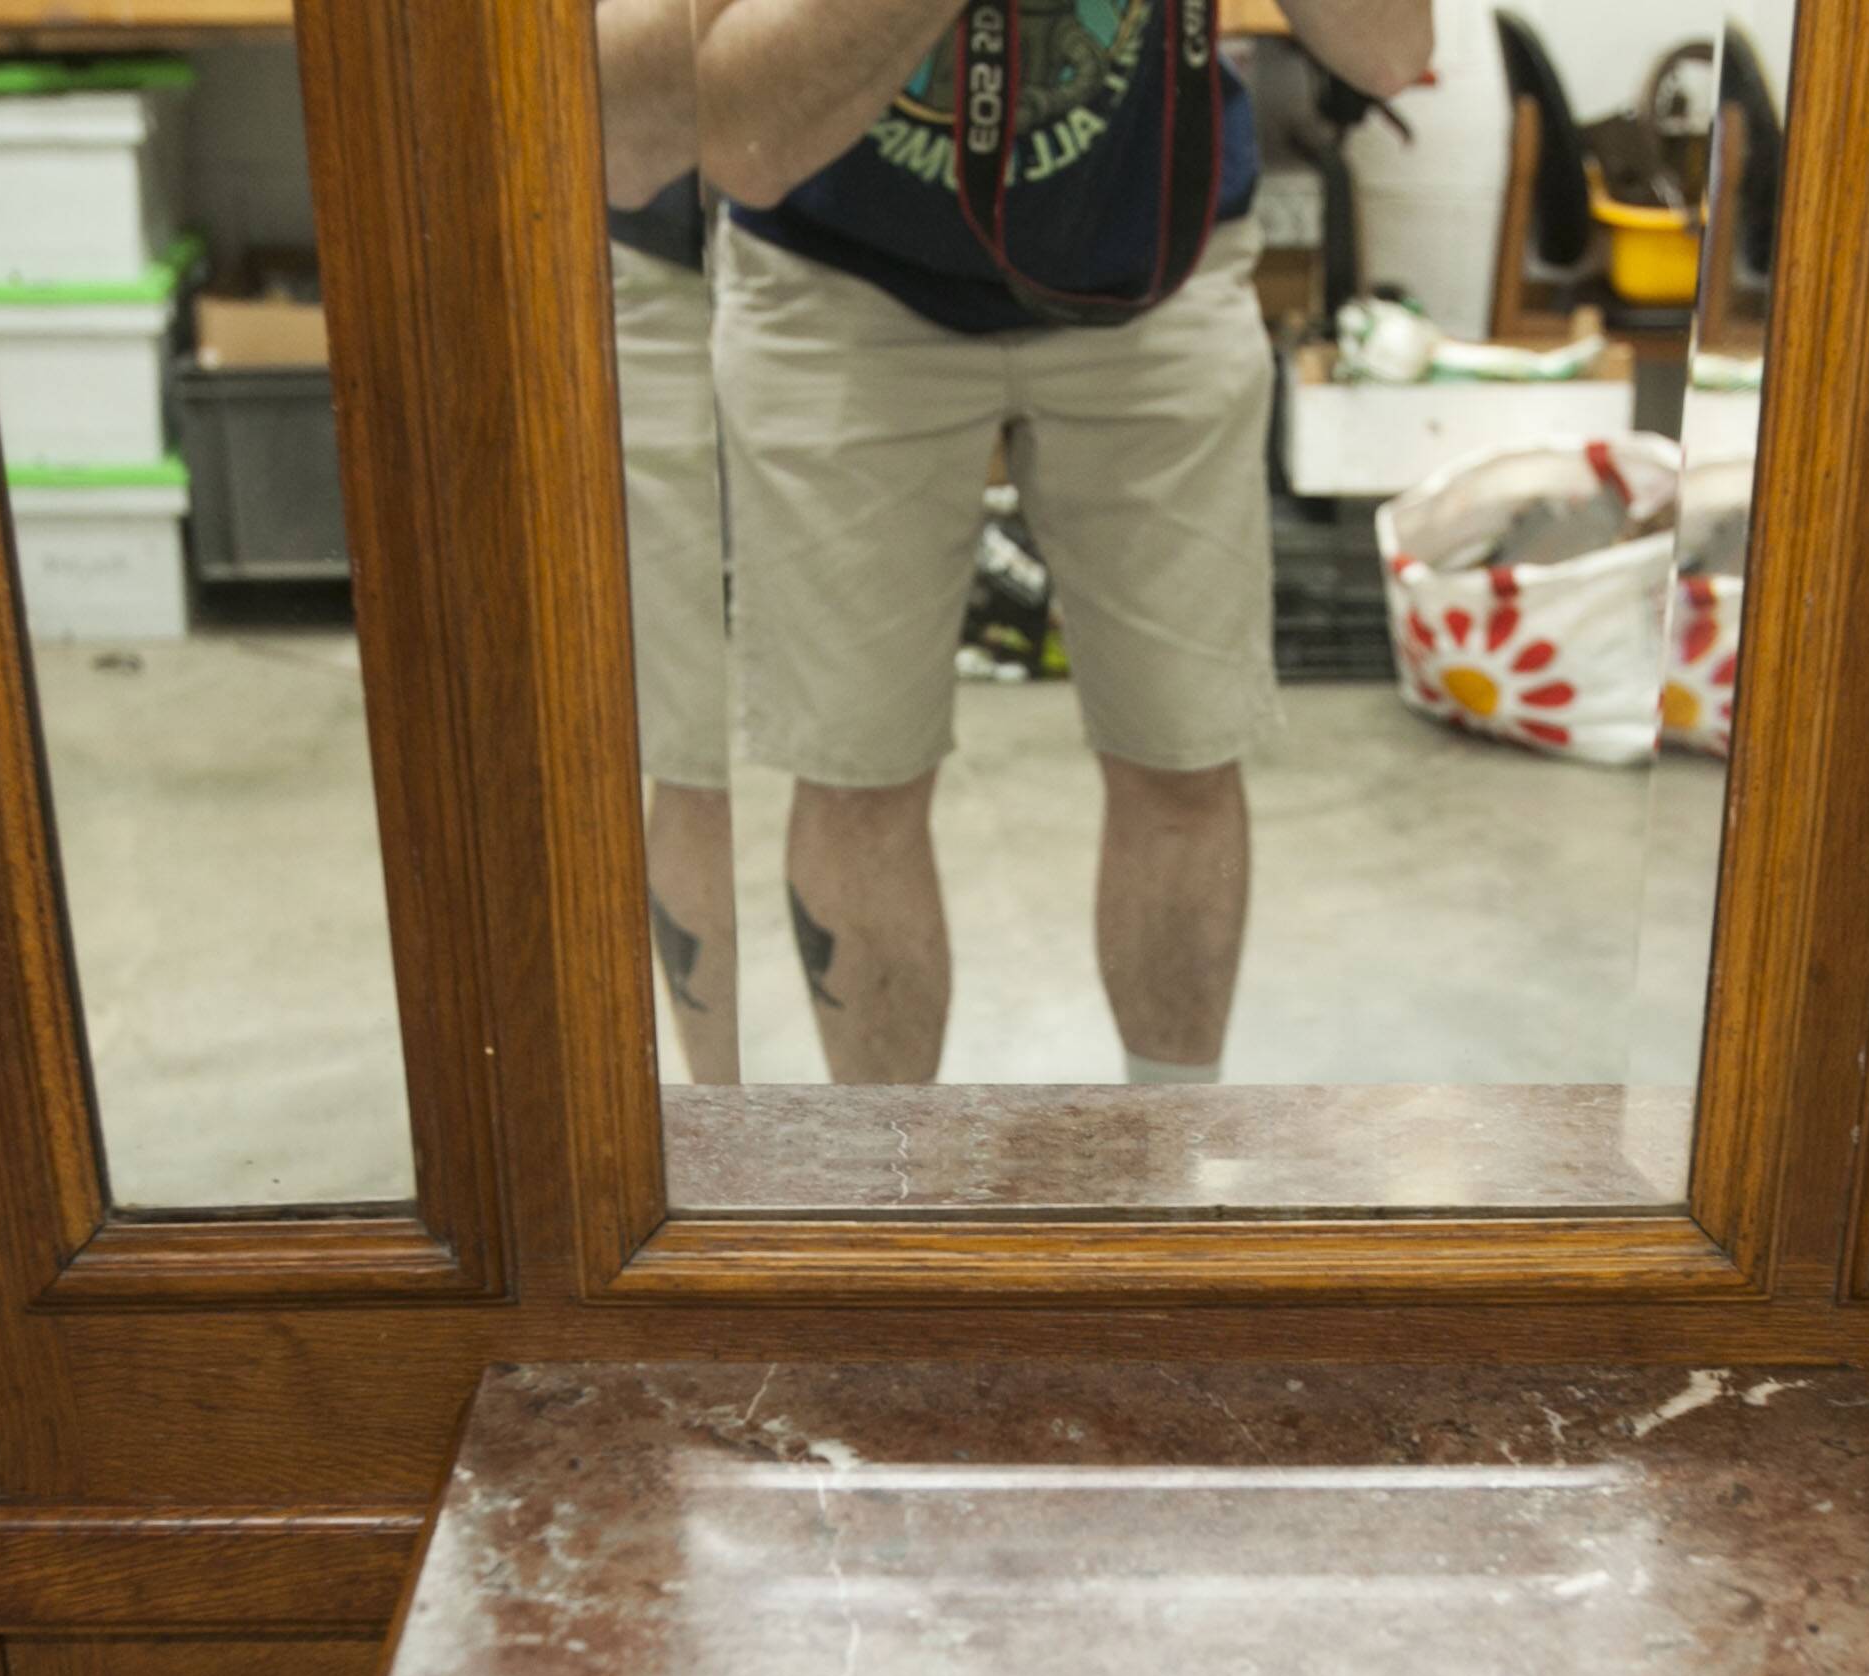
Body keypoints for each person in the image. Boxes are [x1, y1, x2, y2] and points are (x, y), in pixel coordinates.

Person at [691, 0, 1434, 1085]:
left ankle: (1168, 1175)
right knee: (859, 773)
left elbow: (1393, 50)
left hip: (1155, 266)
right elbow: (735, 137)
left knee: (1182, 751)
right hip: (839, 276)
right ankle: (894, 1192)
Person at [601, 0, 744, 1084]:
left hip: (868, 264)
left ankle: (877, 1147)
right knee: (686, 747)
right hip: (653, 250)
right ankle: (721, 1108)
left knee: (865, 777)